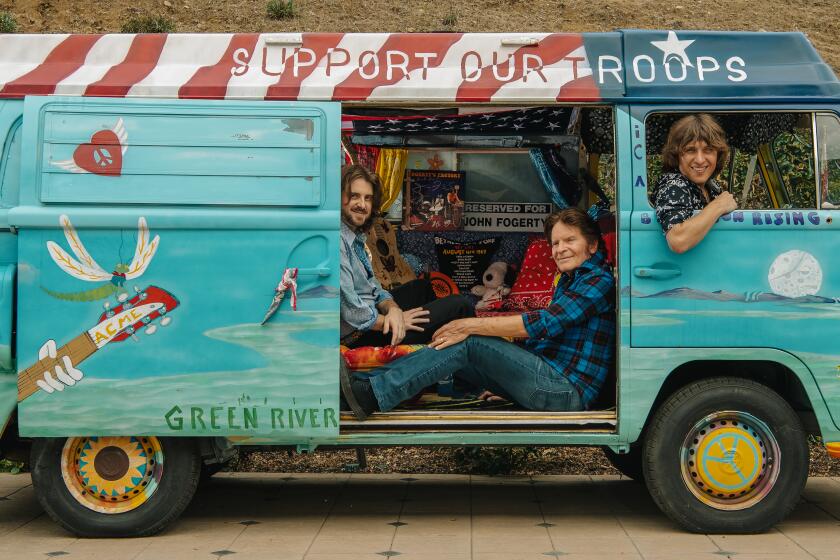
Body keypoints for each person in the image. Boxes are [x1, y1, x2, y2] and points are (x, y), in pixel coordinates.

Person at [340, 207, 615, 420]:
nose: (560, 249)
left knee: (469, 342)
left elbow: (545, 323)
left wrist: (472, 325)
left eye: (569, 240)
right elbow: (540, 343)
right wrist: (507, 379)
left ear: (592, 245)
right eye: (555, 243)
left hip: (565, 391)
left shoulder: (597, 280)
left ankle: (373, 394)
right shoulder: (571, 279)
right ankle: (362, 388)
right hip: (548, 381)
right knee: (459, 350)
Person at [340, 164, 473, 349]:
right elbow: (352, 312)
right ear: (339, 197)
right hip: (359, 334)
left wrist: (393, 308)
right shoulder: (336, 242)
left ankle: (429, 351)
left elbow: (374, 287)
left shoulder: (356, 238)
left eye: (367, 198)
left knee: (422, 287)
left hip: (373, 312)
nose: (362, 205)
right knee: (461, 305)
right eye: (354, 196)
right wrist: (393, 320)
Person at [651, 114, 738, 254]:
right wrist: (719, 205)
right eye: (690, 150)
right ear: (677, 155)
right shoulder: (674, 185)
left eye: (708, 150)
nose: (700, 160)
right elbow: (678, 240)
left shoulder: (711, 187)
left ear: (718, 154)